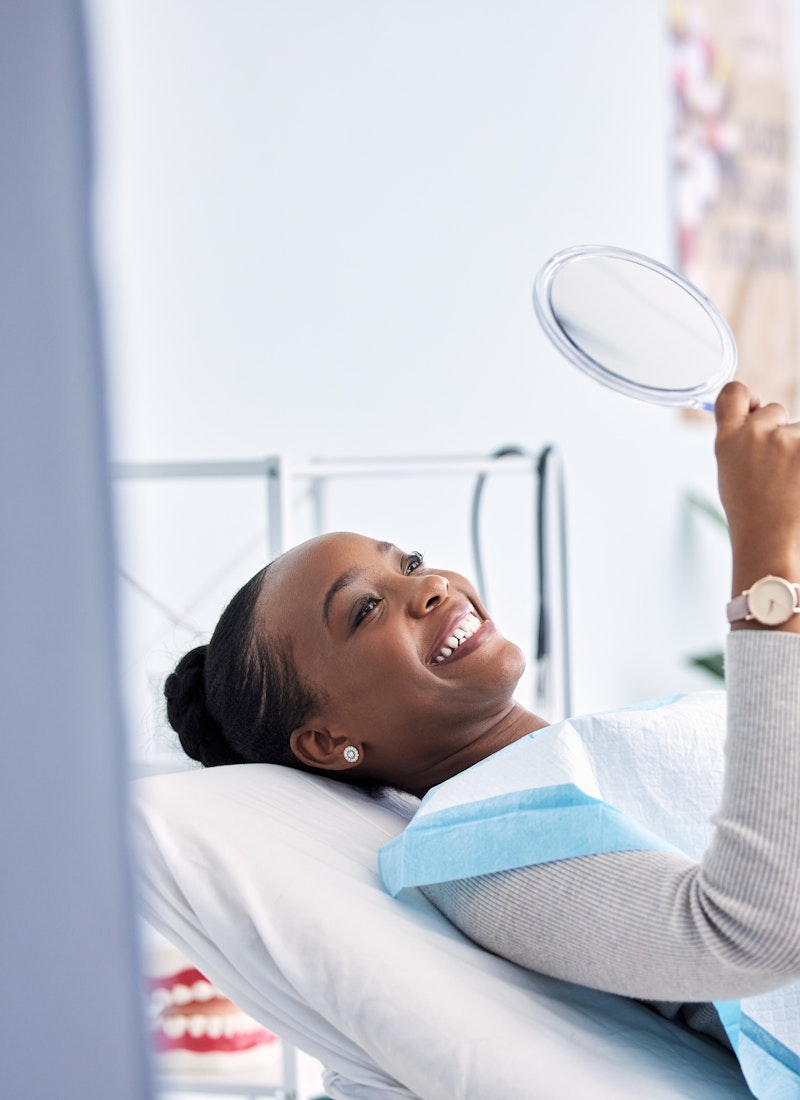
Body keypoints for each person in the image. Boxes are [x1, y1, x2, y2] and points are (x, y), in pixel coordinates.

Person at [165, 381, 800, 1047]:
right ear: (328, 740)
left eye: (407, 562)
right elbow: (751, 934)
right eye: (364, 609)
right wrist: (765, 563)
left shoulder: (585, 754)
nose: (430, 584)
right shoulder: (475, 850)